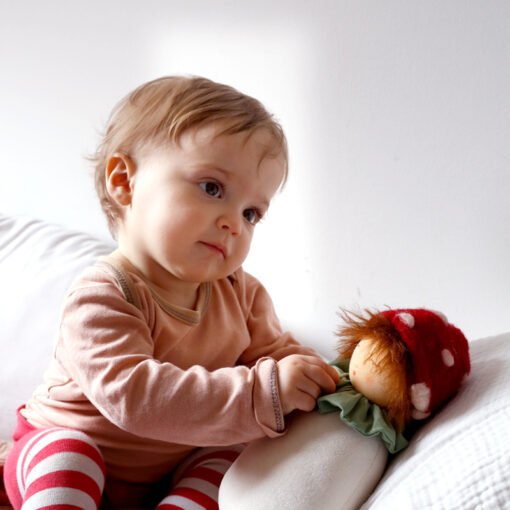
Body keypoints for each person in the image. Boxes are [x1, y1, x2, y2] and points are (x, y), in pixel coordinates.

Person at [4, 76, 339, 509]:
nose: (234, 223)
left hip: (167, 472)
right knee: (70, 458)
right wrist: (265, 393)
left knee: (230, 463)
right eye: (212, 188)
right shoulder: (103, 294)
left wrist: (325, 377)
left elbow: (275, 356)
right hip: (63, 446)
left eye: (252, 212)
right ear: (124, 182)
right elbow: (136, 397)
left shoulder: (242, 295)